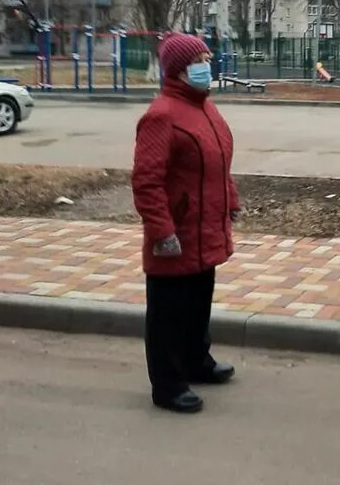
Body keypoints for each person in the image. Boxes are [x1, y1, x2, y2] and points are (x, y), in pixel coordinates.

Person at [132, 33, 241, 414]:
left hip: (204, 227)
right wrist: (162, 232)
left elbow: (218, 162)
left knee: (198, 302)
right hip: (175, 234)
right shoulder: (161, 115)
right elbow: (147, 182)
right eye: (200, 59)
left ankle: (197, 361)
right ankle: (167, 383)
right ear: (179, 69)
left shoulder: (206, 108)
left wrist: (232, 199)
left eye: (207, 58)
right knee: (167, 313)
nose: (206, 65)